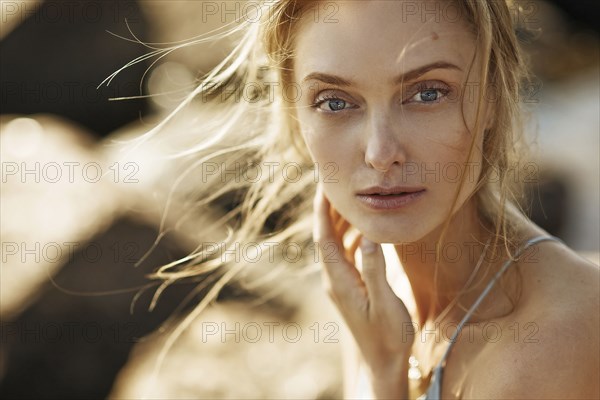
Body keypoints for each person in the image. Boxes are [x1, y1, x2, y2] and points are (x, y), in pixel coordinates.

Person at [123, 0, 599, 398]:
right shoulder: (376, 287)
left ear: (494, 95)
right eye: (334, 101)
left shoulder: (554, 338)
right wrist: (383, 369)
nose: (380, 153)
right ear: (294, 118)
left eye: (428, 93)